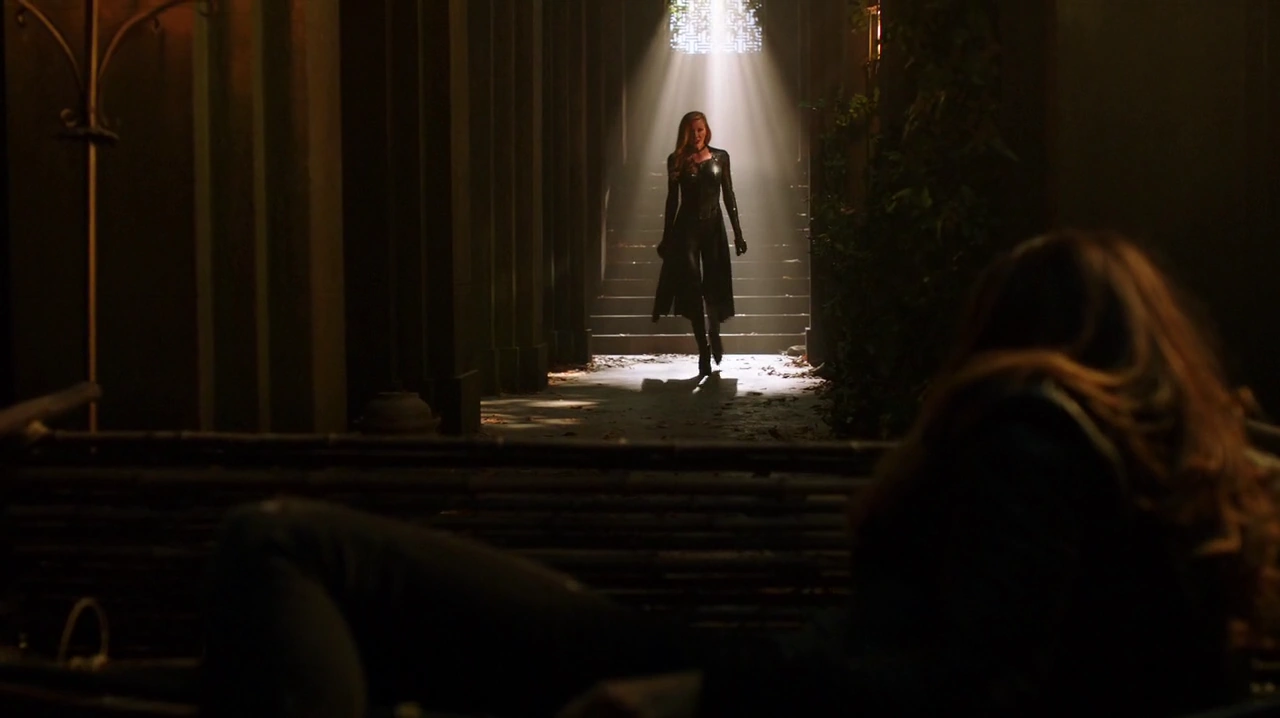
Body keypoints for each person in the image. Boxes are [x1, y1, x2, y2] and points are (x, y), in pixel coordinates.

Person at [201, 230, 1276, 718]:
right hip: (765, 678)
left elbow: (973, 683)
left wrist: (704, 692)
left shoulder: (1035, 430)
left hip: (747, 684)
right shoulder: (1171, 508)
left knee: (284, 541)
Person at [651, 111, 747, 376]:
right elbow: (672, 200)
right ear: (684, 133)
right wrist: (667, 236)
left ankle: (714, 330)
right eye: (692, 131)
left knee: (713, 284)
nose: (696, 135)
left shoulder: (721, 157)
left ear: (707, 130)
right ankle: (702, 348)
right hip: (687, 229)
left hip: (713, 227)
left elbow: (729, 195)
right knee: (692, 286)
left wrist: (738, 234)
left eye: (700, 130)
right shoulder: (677, 160)